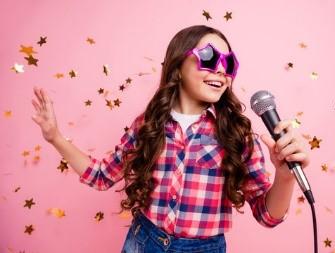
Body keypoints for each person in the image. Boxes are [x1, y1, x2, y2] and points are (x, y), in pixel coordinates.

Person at [31, 25, 310, 253]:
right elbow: (102, 175)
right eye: (210, 58)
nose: (221, 71)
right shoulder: (148, 125)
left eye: (229, 64)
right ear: (178, 66)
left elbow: (267, 215)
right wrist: (55, 137)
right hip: (143, 242)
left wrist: (284, 177)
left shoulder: (236, 133)